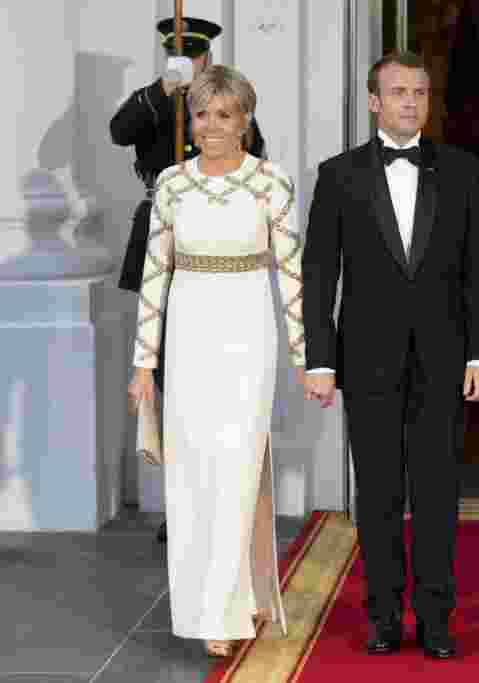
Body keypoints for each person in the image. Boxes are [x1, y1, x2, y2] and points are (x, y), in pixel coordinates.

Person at [301, 52, 479, 660]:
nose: (411, 101)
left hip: (445, 356)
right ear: (373, 101)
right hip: (366, 360)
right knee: (379, 494)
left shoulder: (463, 171)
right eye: (398, 92)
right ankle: (384, 616)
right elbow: (318, 273)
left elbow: (477, 274)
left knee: (437, 493)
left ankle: (436, 619)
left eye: (420, 91)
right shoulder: (338, 175)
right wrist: (321, 360)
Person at [126, 65, 304, 658]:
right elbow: (155, 276)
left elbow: (293, 276)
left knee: (237, 468)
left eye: (224, 115)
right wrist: (142, 365)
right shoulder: (172, 185)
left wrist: (307, 358)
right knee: (191, 477)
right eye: (202, 114)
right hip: (190, 336)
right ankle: (207, 609)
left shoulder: (272, 184)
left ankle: (231, 603)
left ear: (246, 120)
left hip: (249, 333)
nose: (212, 126)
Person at [110, 16, 265, 544]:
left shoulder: (227, 108)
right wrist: (163, 91)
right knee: (174, 384)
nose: (188, 66)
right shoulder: (154, 102)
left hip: (216, 249)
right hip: (164, 243)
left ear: (207, 58)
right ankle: (181, 505)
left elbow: (255, 161)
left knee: (221, 384)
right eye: (178, 57)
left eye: (194, 58)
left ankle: (226, 501)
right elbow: (118, 131)